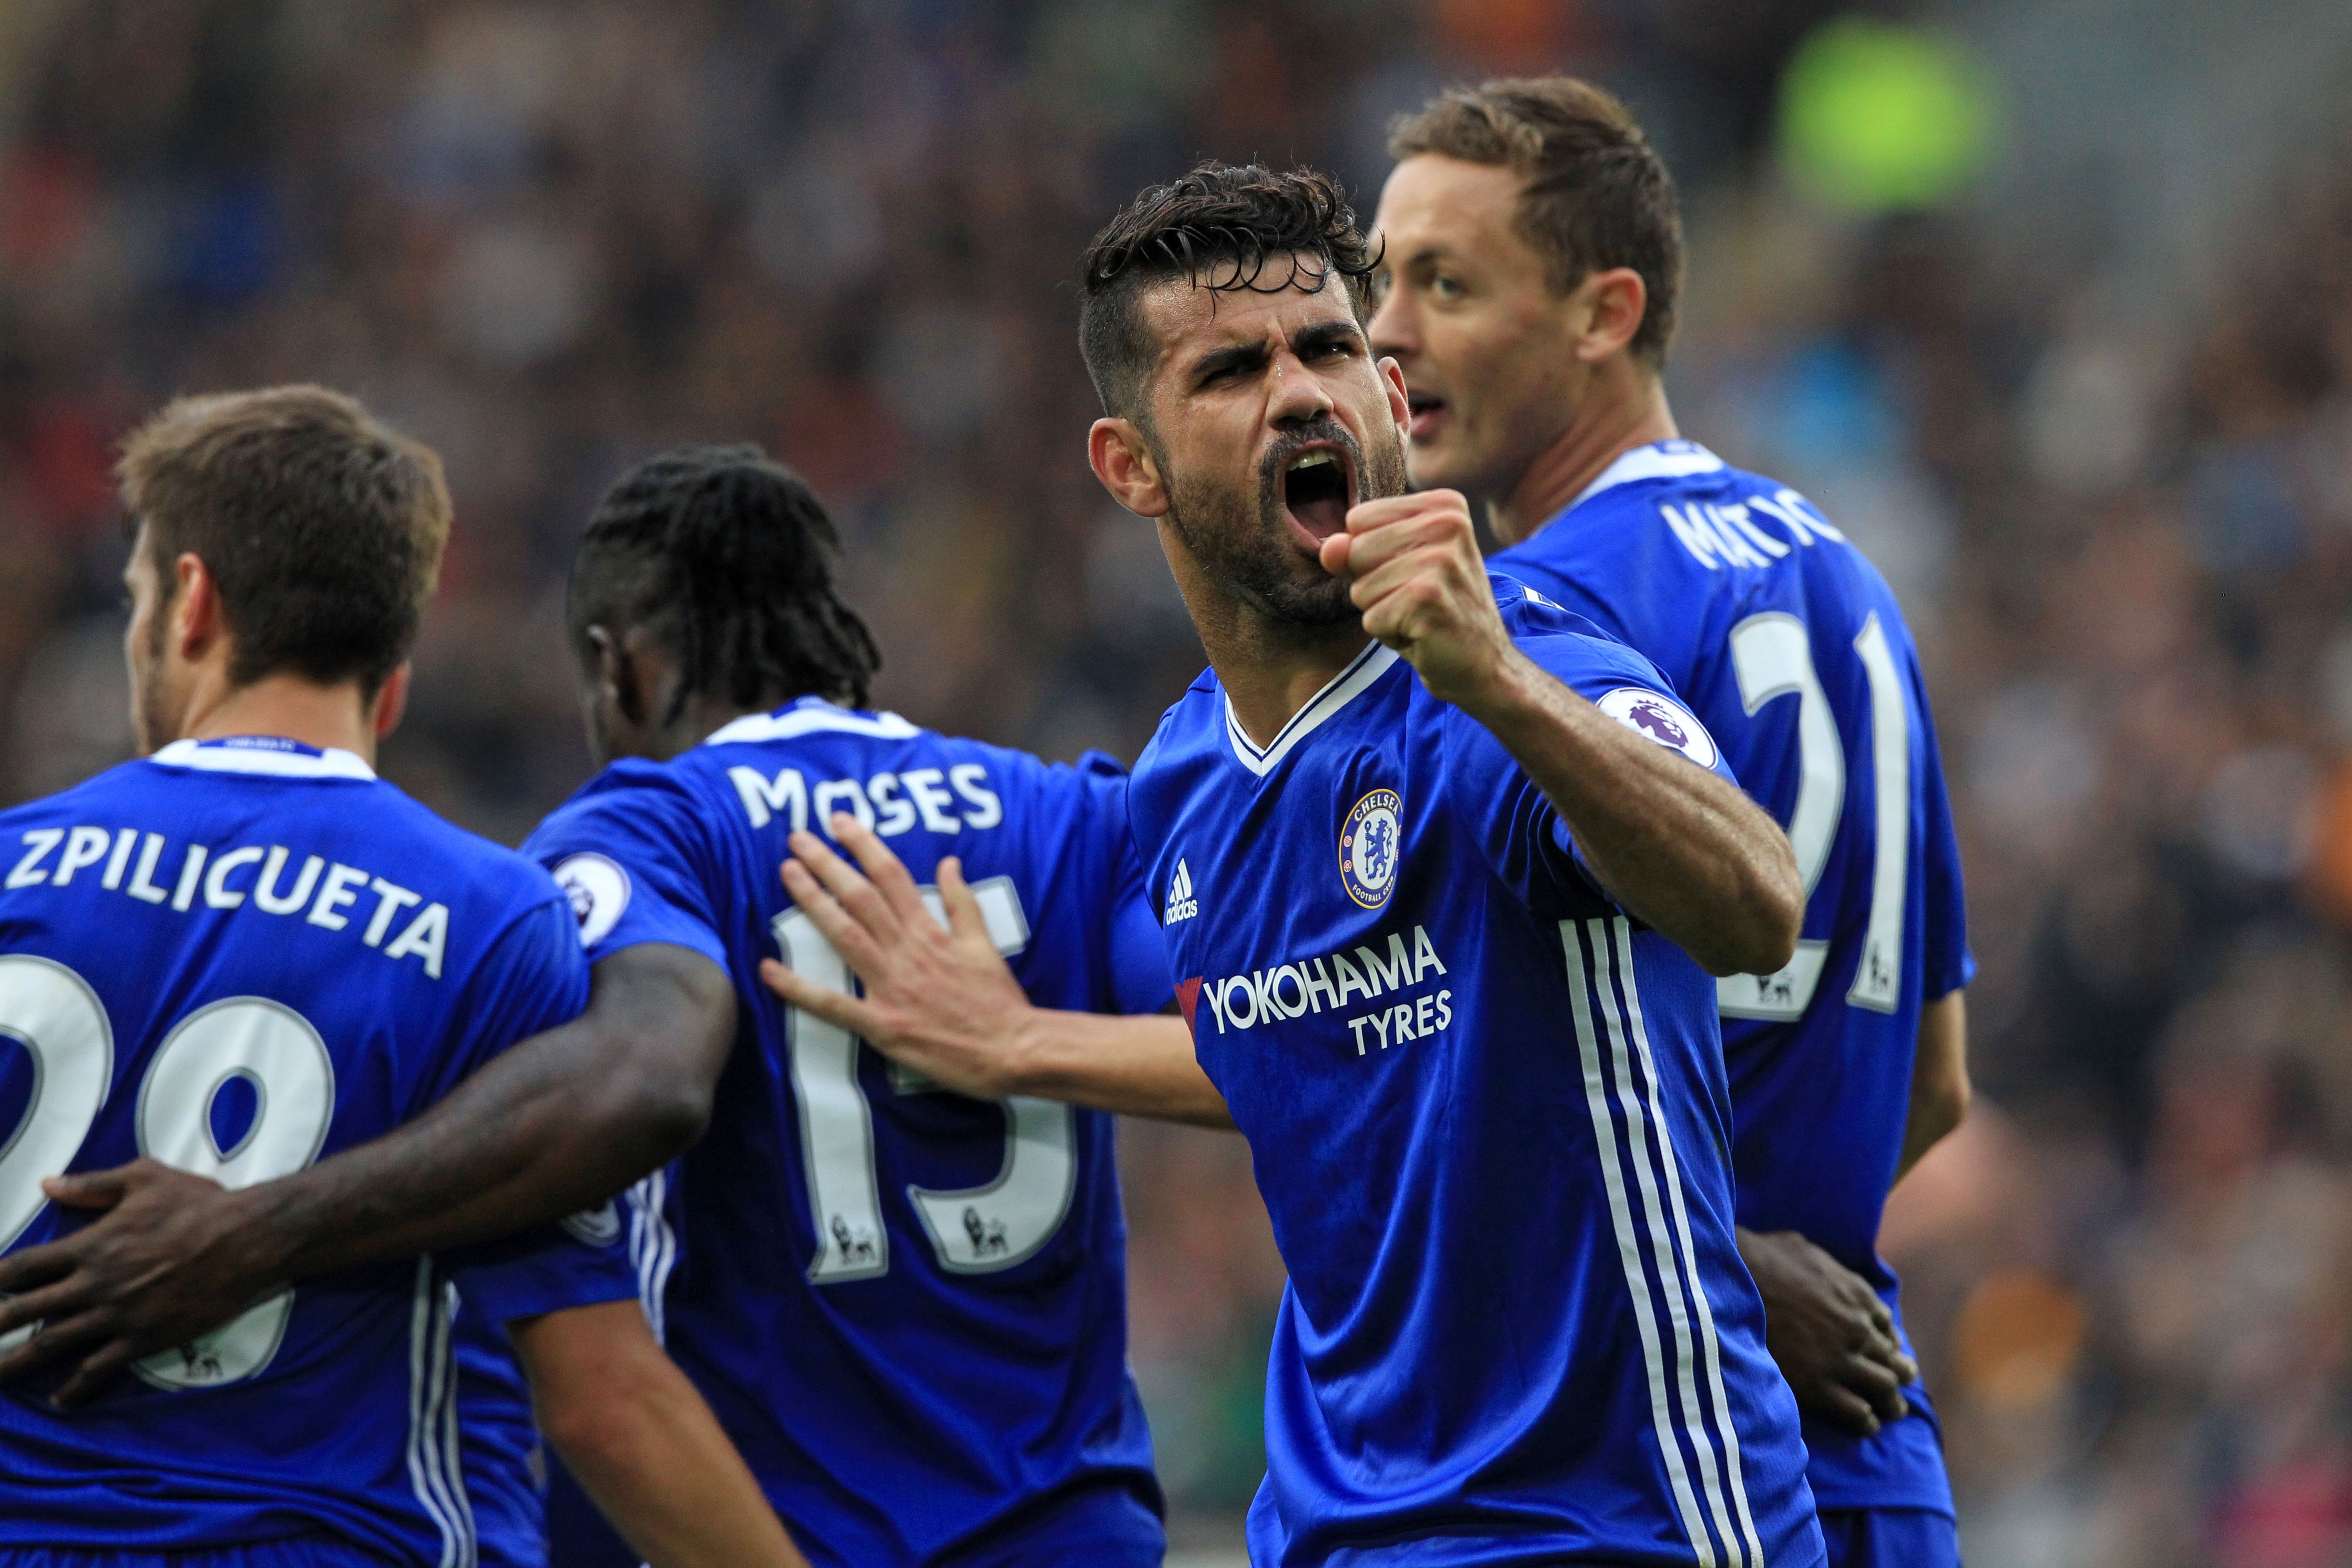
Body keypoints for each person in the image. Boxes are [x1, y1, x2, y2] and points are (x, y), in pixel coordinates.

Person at [0, 387, 803, 1568]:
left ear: (191, 604)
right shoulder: (493, 922)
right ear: (396, 677)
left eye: (134, 598)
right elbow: (601, 1402)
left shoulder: (12, 865)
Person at [1367, 79, 1973, 1568]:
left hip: (1648, 1459)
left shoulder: (1545, 626)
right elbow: (1936, 1084)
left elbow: (1416, 1070)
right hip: (1876, 1459)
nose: (1386, 334)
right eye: (1382, 279)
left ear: (1603, 312)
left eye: (1446, 283)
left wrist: (1705, 1266)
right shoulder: (1847, 575)